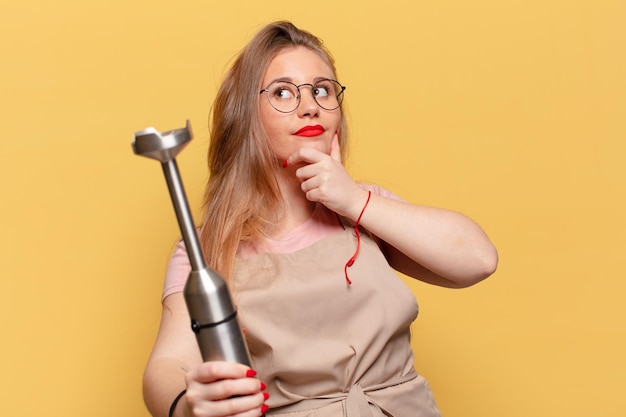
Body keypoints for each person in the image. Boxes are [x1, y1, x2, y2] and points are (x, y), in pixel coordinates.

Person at [143, 20, 498, 417]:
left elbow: (478, 260)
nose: (310, 105)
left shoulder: (365, 209)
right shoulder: (208, 248)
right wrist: (190, 405)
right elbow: (165, 366)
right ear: (246, 116)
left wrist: (355, 200)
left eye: (322, 89)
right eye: (283, 92)